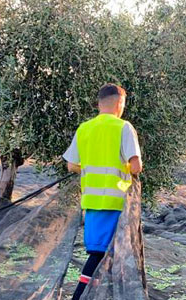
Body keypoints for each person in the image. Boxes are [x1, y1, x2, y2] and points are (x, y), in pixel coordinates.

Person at [63, 83, 142, 300]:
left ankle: (92, 294)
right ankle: (79, 296)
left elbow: (71, 165)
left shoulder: (84, 128)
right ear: (120, 103)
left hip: (91, 201)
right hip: (116, 202)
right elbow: (135, 166)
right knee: (103, 256)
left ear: (99, 104)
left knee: (98, 253)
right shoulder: (123, 127)